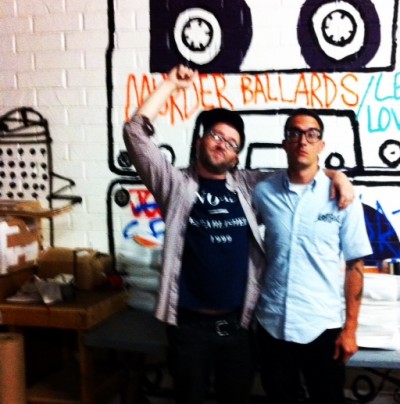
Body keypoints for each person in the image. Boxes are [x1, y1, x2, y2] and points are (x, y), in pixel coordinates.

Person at [123, 66, 355, 404]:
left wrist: (337, 175)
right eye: (216, 136)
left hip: (239, 328)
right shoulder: (174, 185)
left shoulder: (249, 187)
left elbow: (302, 170)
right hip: (188, 329)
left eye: (232, 143)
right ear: (200, 140)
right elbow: (135, 134)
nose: (223, 145)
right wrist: (170, 84)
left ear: (236, 157)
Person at [253, 108, 373, 404]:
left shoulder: (343, 198)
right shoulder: (263, 192)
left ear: (321, 145)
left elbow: (355, 265)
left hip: (322, 328)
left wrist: (350, 330)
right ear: (284, 143)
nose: (302, 140)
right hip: (271, 325)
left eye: (311, 134)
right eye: (294, 133)